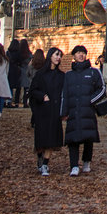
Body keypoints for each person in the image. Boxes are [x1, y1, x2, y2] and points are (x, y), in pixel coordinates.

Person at [61, 43, 107, 177]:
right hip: (73, 110)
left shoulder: (94, 72)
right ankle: (74, 165)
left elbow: (102, 88)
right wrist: (63, 112)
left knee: (88, 137)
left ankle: (86, 161)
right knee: (72, 139)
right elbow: (65, 94)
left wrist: (91, 101)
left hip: (88, 111)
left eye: (83, 53)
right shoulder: (68, 75)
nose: (81, 55)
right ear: (74, 56)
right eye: (78, 53)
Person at [28, 46, 65, 175]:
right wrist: (42, 96)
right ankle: (40, 157)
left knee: (51, 139)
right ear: (50, 56)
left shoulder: (61, 76)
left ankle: (45, 164)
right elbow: (33, 91)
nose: (58, 58)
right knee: (41, 139)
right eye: (56, 55)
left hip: (55, 111)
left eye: (60, 56)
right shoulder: (40, 74)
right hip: (42, 111)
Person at [7, 36, 30, 106]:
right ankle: (24, 102)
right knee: (24, 88)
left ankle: (11, 101)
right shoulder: (27, 54)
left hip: (11, 70)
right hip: (21, 71)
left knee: (12, 87)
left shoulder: (8, 53)